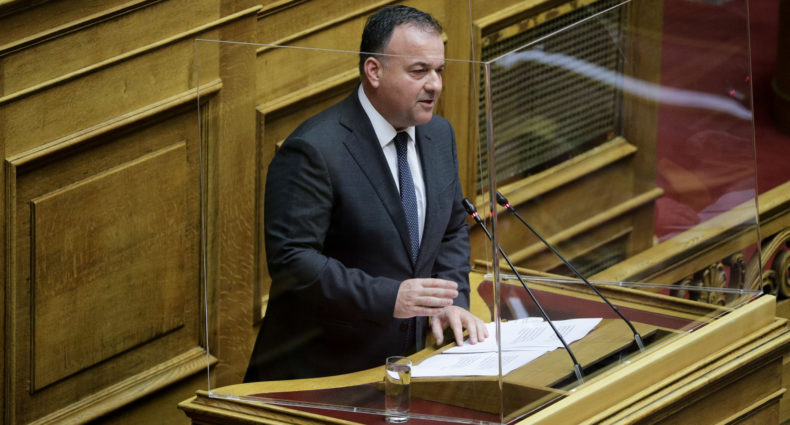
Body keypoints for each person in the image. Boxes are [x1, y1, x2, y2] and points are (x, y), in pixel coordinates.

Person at [244, 5, 487, 382]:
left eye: (439, 70)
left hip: (412, 364)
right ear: (374, 71)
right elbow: (292, 262)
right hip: (325, 376)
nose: (435, 84)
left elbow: (452, 229)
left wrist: (450, 302)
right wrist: (390, 298)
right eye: (419, 71)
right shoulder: (314, 149)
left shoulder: (439, 134)